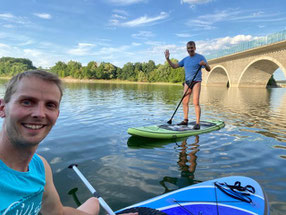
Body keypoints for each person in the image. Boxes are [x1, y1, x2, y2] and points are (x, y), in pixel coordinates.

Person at [0, 70, 137, 215]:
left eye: (50, 105)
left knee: (94, 202)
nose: (39, 114)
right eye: (26, 102)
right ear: (3, 108)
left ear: (57, 114)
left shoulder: (40, 166)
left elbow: (57, 213)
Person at [165, 41, 211, 129]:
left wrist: (205, 64)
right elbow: (174, 66)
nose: (190, 50)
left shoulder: (200, 57)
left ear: (195, 48)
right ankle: (185, 120)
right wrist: (168, 59)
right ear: (187, 49)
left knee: (195, 102)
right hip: (187, 82)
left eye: (192, 48)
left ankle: (197, 123)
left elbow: (209, 69)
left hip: (196, 82)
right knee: (184, 102)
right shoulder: (185, 59)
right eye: (188, 48)